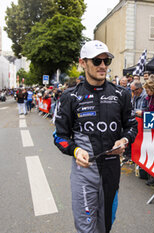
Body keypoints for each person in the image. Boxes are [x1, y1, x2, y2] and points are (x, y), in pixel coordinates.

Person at [53, 40, 138, 233]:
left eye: (106, 61)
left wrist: (124, 140)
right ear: (83, 63)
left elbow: (131, 127)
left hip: (111, 170)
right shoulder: (69, 97)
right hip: (84, 171)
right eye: (96, 61)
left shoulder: (121, 94)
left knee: (105, 225)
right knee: (85, 227)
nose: (102, 66)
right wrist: (75, 150)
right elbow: (60, 136)